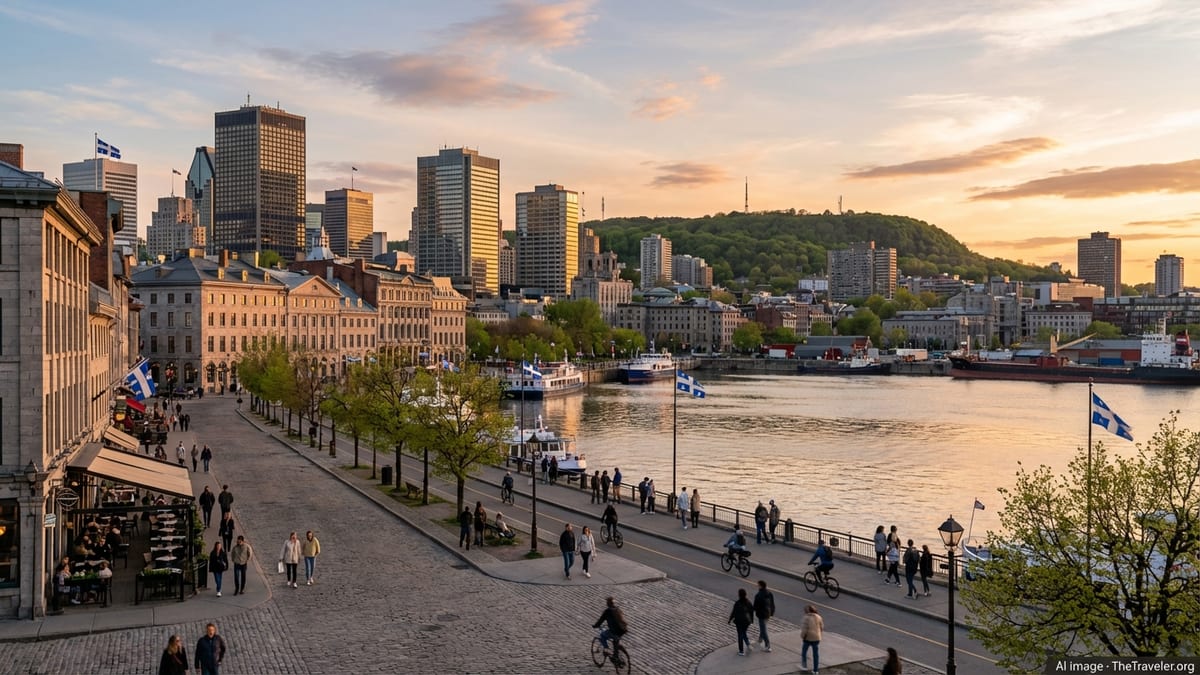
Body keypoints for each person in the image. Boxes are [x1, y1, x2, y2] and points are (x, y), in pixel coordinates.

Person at [593, 596, 628, 664]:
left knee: (602, 635)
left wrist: (595, 626)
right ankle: (616, 656)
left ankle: (607, 649)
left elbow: (600, 620)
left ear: (608, 603)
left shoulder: (607, 611)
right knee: (615, 641)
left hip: (614, 631)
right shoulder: (617, 609)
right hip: (621, 631)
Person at [728, 588, 755, 656]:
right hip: (747, 622)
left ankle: (741, 651)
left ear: (739, 595)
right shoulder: (749, 602)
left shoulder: (738, 603)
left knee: (740, 635)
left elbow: (734, 612)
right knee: (743, 633)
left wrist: (730, 619)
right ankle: (748, 645)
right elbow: (751, 612)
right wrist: (751, 620)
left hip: (739, 621)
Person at [753, 580, 775, 653]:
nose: (757, 586)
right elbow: (772, 604)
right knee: (763, 627)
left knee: (763, 629)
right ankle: (760, 639)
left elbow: (755, 606)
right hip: (768, 613)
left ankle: (768, 646)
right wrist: (772, 612)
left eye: (758, 585)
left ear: (760, 586)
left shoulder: (758, 595)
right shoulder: (769, 593)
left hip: (761, 615)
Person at [801, 605, 823, 673]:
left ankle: (804, 666)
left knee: (804, 651)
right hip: (817, 638)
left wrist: (802, 636)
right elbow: (822, 627)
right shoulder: (819, 617)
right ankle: (815, 670)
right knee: (815, 654)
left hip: (808, 638)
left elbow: (804, 629)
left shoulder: (806, 618)